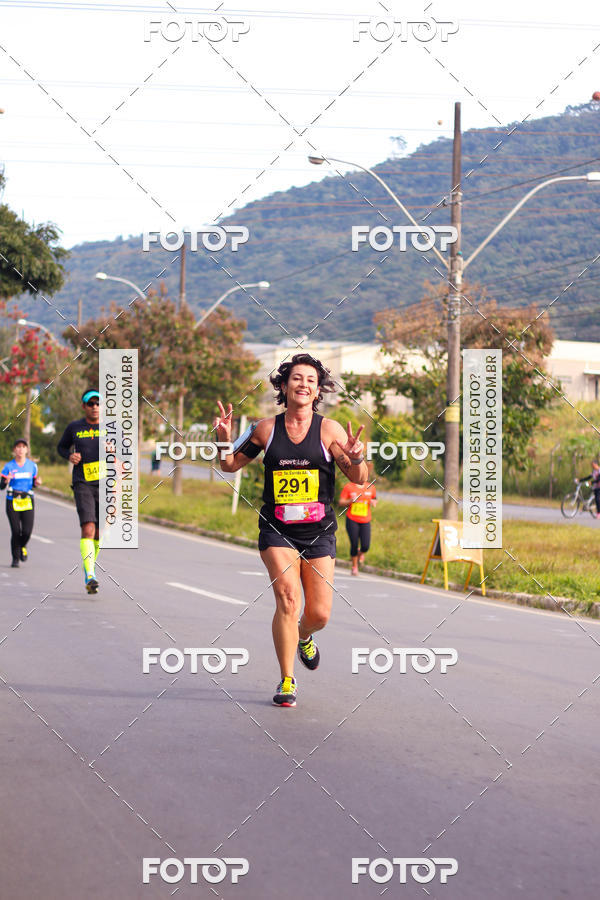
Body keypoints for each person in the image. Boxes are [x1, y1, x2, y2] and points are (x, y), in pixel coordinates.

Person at [215, 353, 368, 708]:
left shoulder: (329, 430)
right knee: (287, 596)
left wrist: (357, 456)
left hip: (318, 531)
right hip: (277, 528)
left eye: (311, 381)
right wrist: (223, 438)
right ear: (284, 386)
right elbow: (229, 465)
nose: (304, 385)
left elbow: (358, 479)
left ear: (318, 391)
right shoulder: (266, 429)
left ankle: (303, 635)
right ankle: (287, 679)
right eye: (296, 378)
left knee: (319, 614)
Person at [57, 389, 103, 594]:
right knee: (88, 528)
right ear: (84, 406)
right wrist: (69, 456)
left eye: (97, 403)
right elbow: (61, 447)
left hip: (105, 484)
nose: (94, 406)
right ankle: (91, 574)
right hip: (82, 482)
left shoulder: (112, 428)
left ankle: (88, 569)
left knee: (100, 533)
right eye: (90, 403)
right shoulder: (74, 427)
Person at [0, 438, 40, 567]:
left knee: (27, 531)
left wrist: (37, 483)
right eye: (18, 447)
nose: (20, 449)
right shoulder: (8, 466)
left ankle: (22, 546)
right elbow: (1, 486)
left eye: (23, 447)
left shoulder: (32, 466)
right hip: (12, 501)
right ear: (14, 450)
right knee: (16, 531)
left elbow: (33, 484)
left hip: (27, 500)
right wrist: (5, 481)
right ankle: (15, 558)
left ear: (27, 450)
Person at [339, 476, 377, 575]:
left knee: (365, 546)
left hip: (365, 520)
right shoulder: (349, 487)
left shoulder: (371, 487)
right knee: (354, 544)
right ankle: (354, 567)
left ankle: (360, 553)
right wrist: (350, 501)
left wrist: (374, 502)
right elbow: (341, 502)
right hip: (352, 519)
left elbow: (374, 498)